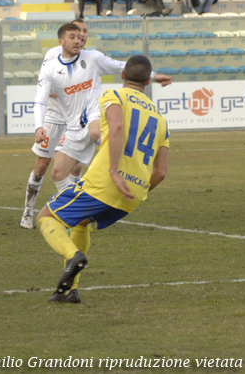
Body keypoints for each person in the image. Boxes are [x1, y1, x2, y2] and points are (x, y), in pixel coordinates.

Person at [36, 55, 169, 303]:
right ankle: (69, 290)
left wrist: (114, 172)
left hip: (104, 182)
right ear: (148, 81)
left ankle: (73, 256)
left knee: (45, 216)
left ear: (122, 75)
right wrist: (139, 189)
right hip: (133, 194)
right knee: (81, 223)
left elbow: (116, 127)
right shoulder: (161, 119)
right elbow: (161, 172)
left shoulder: (113, 96)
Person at [30, 24, 171, 227]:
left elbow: (125, 67)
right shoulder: (50, 68)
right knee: (58, 173)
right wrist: (39, 126)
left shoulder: (93, 58)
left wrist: (154, 76)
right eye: (73, 37)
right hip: (73, 125)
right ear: (61, 41)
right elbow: (40, 99)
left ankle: (123, 163)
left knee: (96, 131)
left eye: (80, 36)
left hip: (95, 114)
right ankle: (75, 212)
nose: (78, 39)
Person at [20, 18, 86, 229]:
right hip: (53, 119)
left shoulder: (89, 59)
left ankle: (71, 214)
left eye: (84, 32)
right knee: (41, 166)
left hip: (75, 122)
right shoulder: (53, 55)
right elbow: (46, 88)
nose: (80, 37)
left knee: (75, 167)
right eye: (75, 33)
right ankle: (27, 212)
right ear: (65, 37)